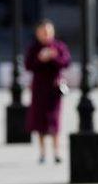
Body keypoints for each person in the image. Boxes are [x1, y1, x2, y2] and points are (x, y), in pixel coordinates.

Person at [24, 19, 71, 164]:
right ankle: (43, 152)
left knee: (54, 121)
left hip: (54, 89)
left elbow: (66, 62)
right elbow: (28, 65)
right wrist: (40, 59)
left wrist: (53, 57)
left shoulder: (58, 46)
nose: (46, 35)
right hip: (39, 89)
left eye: (48, 32)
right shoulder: (34, 48)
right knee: (40, 122)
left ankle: (56, 151)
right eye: (43, 32)